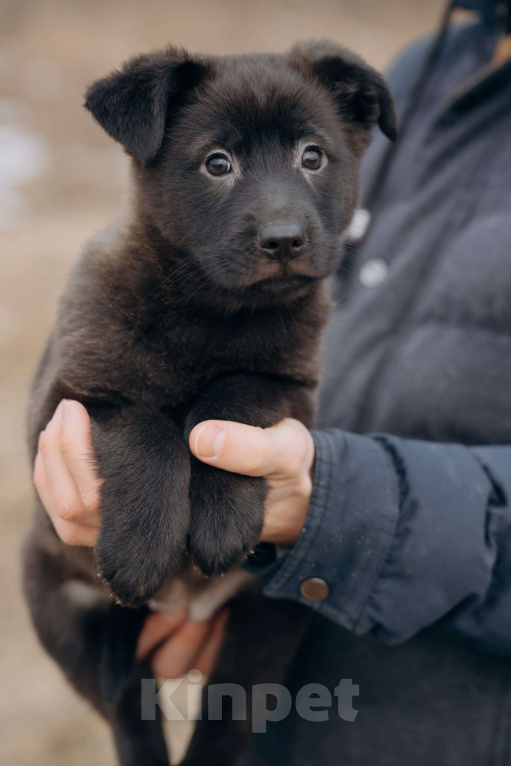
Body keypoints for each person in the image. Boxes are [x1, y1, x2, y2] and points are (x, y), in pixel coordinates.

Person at [33, 0, 511, 762]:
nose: (283, 218)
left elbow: (281, 384)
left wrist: (333, 508)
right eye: (218, 163)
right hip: (297, 690)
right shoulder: (436, 71)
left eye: (310, 157)